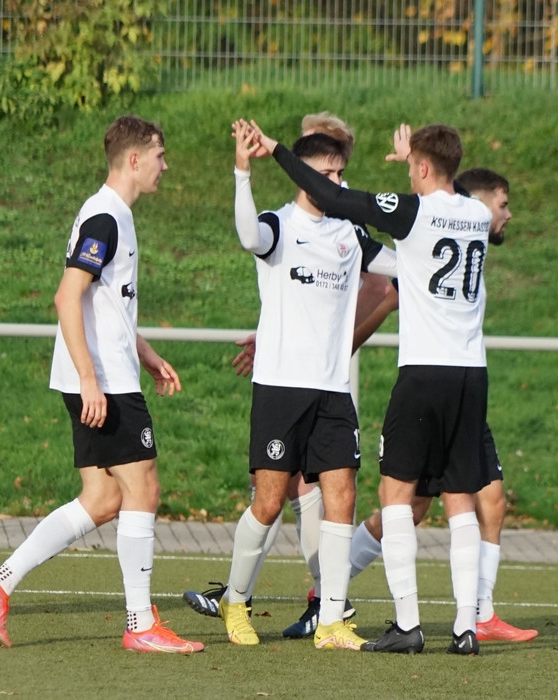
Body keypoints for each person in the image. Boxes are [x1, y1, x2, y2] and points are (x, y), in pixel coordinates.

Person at [251, 120, 493, 655]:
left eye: (411, 167)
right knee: (460, 498)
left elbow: (332, 196)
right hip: (472, 375)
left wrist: (277, 151)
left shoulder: (413, 212)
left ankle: (408, 624)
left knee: (396, 497)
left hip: (424, 373)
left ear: (422, 167)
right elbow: (447, 194)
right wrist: (423, 162)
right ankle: (466, 628)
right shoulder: (477, 213)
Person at [0, 115, 203, 653]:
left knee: (102, 498)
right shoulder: (105, 217)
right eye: (160, 155)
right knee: (143, 488)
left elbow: (105, 304)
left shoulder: (113, 213)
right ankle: (140, 624)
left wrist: (145, 353)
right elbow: (66, 296)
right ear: (135, 159)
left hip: (107, 374)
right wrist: (90, 378)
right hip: (103, 382)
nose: (166, 166)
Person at [184, 112, 371, 638]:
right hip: (281, 388)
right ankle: (236, 601)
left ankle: (331, 620)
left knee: (342, 499)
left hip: (333, 389)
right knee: (268, 503)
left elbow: (398, 268)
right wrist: (242, 172)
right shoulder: (280, 224)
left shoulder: (350, 233)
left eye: (341, 174)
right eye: (328, 174)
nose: (337, 183)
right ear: (303, 176)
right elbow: (249, 236)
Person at [347, 168, 536, 643]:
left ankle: (475, 614)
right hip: (453, 384)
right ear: (475, 205)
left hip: (452, 385)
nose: (507, 214)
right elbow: (386, 291)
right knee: (416, 506)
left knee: (485, 499)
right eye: (502, 204)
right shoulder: (442, 237)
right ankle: (332, 584)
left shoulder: (463, 243)